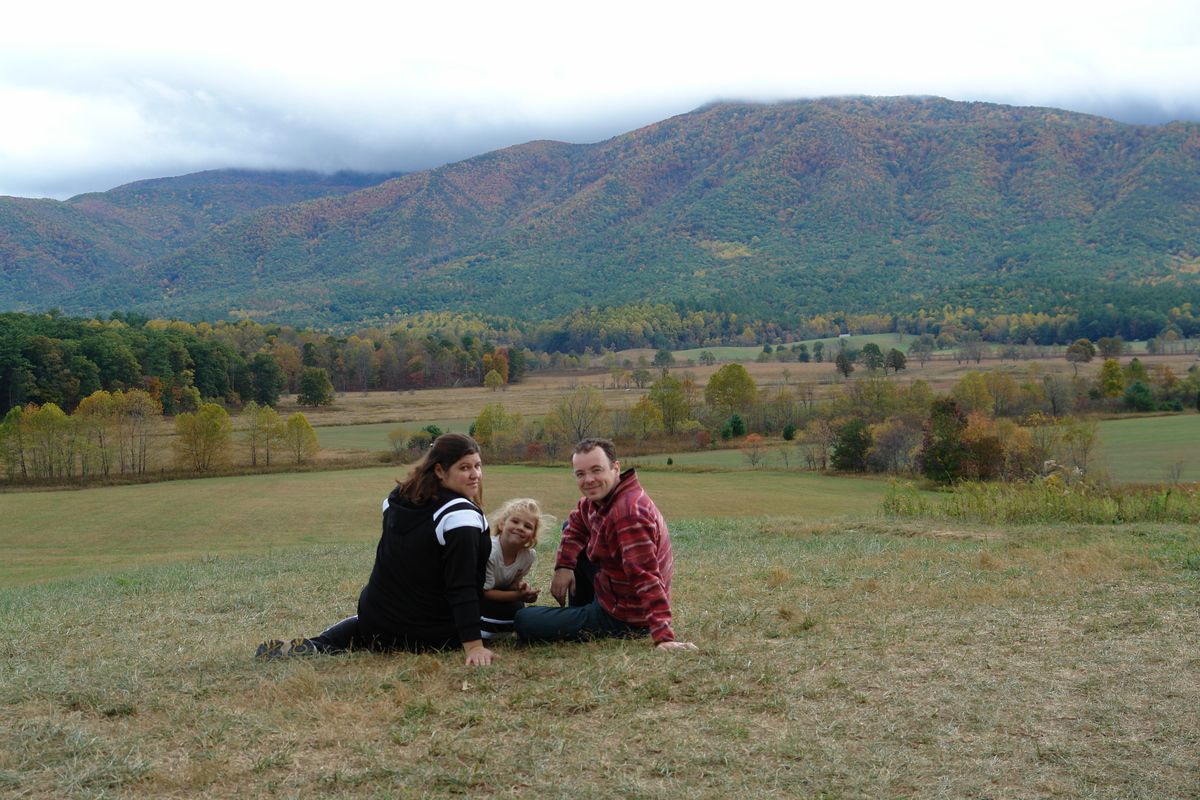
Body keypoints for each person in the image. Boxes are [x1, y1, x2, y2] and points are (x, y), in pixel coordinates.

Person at [255, 433, 496, 666]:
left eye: (478, 466)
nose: (475, 475)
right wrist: (473, 645)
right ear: (440, 470)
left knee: (365, 623)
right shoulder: (460, 517)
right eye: (464, 468)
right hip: (431, 633)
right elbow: (461, 585)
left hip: (378, 621)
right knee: (508, 612)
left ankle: (320, 644)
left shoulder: (398, 500)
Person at [513, 437, 697, 651]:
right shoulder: (602, 498)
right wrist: (564, 565)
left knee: (524, 620)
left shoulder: (629, 515)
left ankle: (588, 616)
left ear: (615, 468)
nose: (588, 480)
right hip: (612, 587)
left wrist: (663, 636)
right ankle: (583, 610)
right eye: (580, 474)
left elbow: (646, 576)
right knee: (568, 527)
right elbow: (576, 523)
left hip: (627, 615)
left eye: (596, 470)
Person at [478, 498, 552, 638]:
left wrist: (521, 587)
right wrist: (516, 596)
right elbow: (484, 592)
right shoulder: (490, 551)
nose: (520, 528)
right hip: (478, 598)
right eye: (515, 521)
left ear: (532, 537)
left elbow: (510, 582)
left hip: (497, 595)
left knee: (517, 607)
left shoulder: (528, 556)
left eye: (527, 526)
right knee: (514, 604)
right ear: (501, 524)